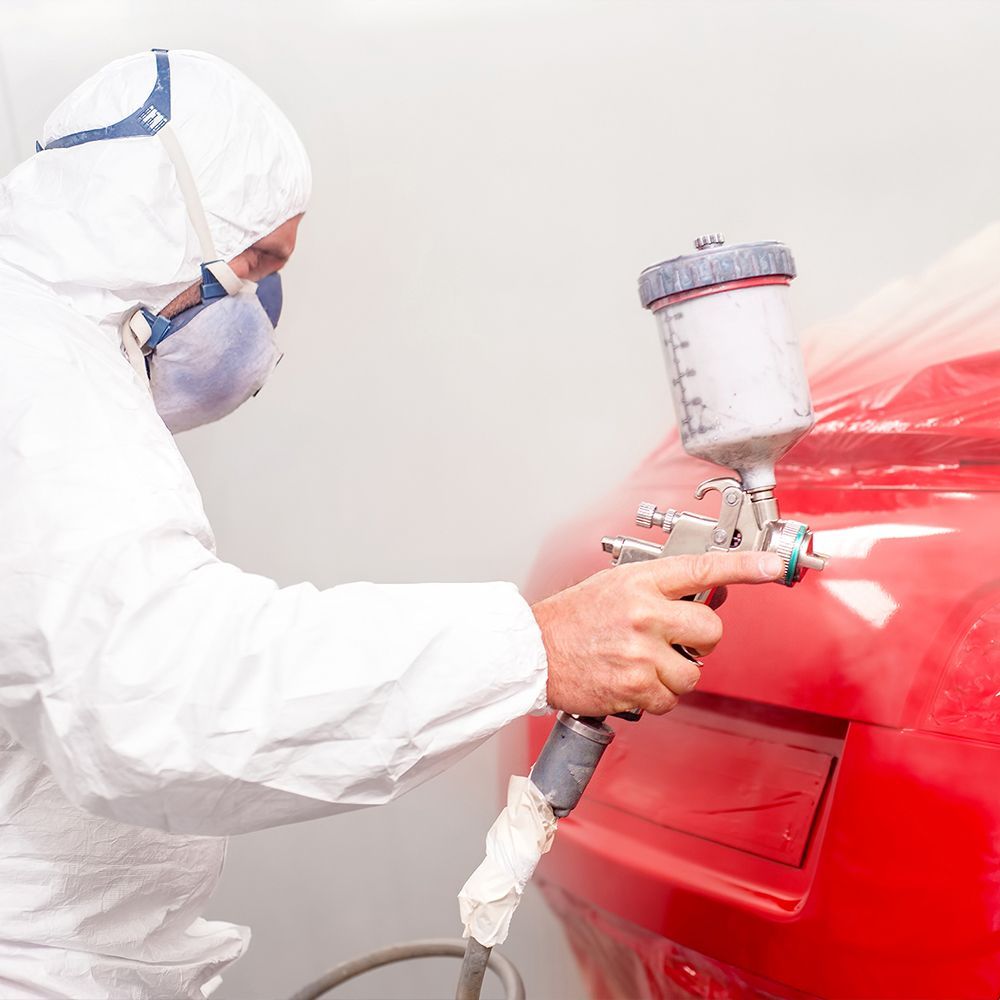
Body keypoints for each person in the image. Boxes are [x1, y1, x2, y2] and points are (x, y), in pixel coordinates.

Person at [0, 49, 783, 999]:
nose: (257, 313)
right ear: (163, 213)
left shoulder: (56, 365)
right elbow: (157, 697)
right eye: (256, 264)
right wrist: (535, 646)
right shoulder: (40, 379)